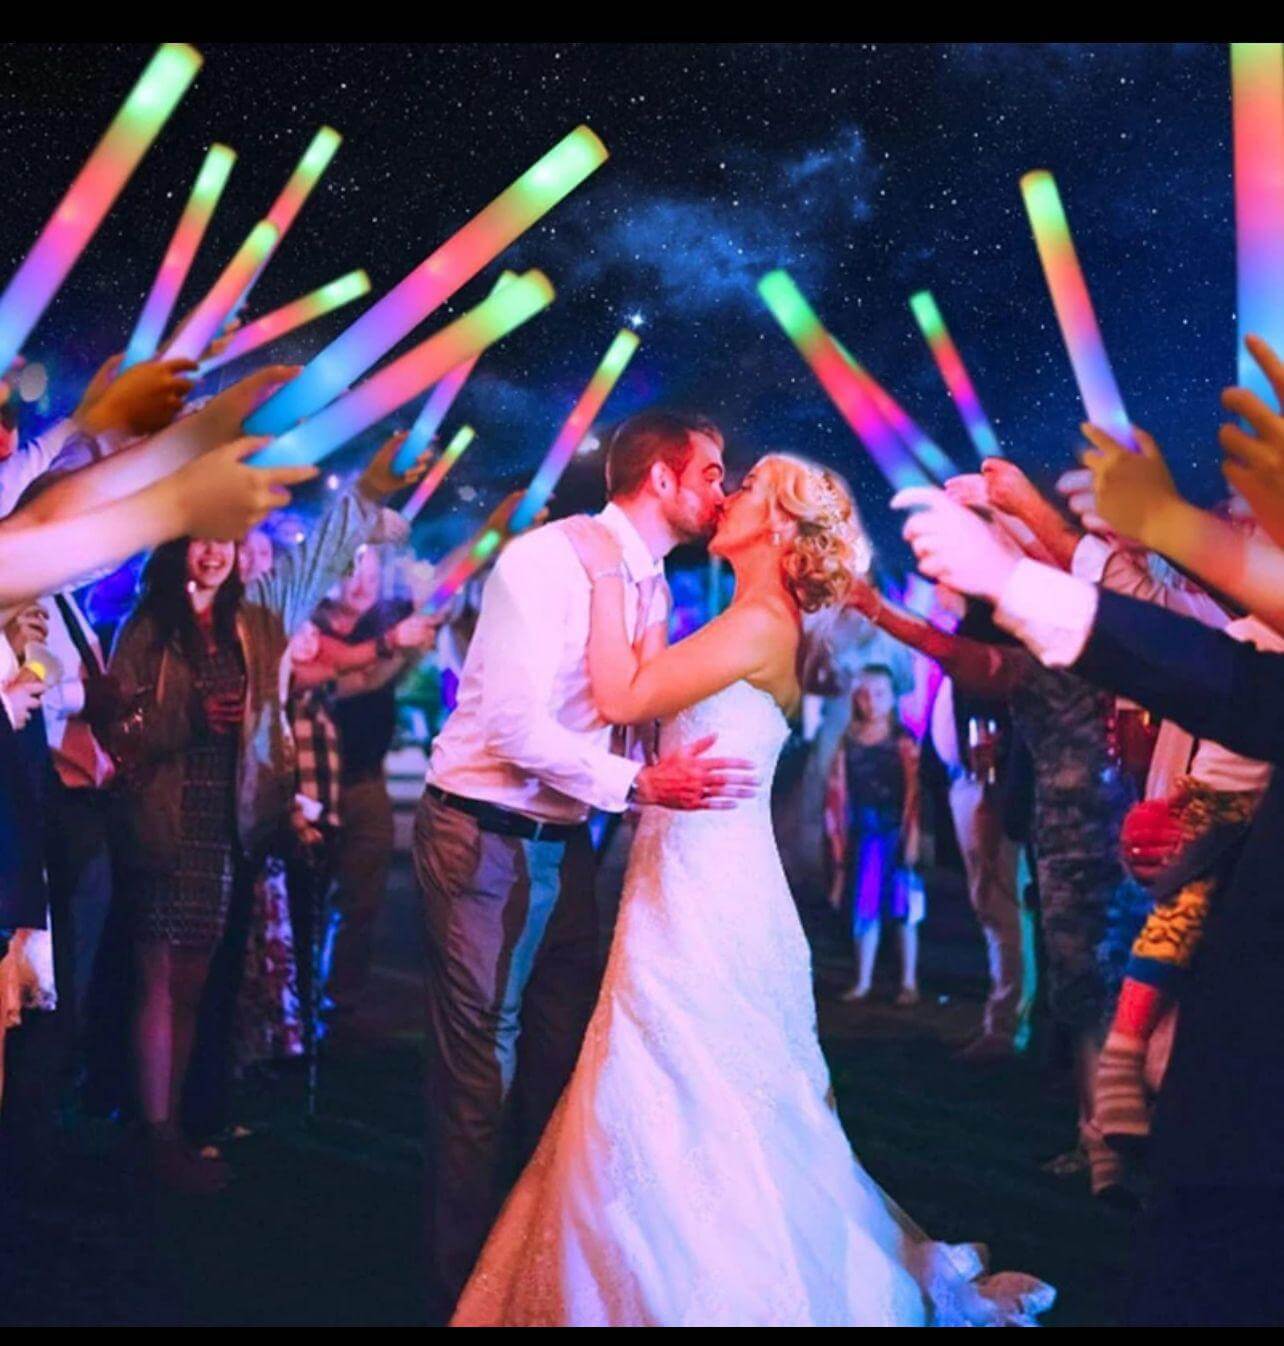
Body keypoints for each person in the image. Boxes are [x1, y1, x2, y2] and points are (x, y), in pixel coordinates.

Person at [452, 454, 1052, 1327]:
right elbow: (649, 695)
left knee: (685, 1082)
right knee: (682, 1083)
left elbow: (621, 695)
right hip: (690, 876)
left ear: (775, 525)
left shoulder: (759, 621)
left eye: (746, 489)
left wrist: (609, 571)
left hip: (707, 892)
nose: (727, 496)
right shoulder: (748, 619)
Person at [415, 410, 764, 1318]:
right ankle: (465, 1287)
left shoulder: (650, 582)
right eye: (712, 473)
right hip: (486, 836)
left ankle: (534, 1268)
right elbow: (512, 726)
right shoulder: (546, 561)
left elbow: (631, 707)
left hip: (568, 841)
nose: (722, 490)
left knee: (562, 1058)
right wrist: (640, 783)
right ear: (661, 479)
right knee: (480, 1076)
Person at [105, 434, 424, 1191]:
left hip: (224, 829)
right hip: (163, 824)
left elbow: (316, 560)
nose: (214, 553)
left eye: (225, 540)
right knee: (158, 980)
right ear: (176, 547)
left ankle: (174, 1125)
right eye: (200, 540)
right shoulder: (147, 627)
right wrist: (188, 719)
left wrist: (369, 492)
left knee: (193, 985)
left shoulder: (257, 618)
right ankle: (155, 1135)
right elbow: (120, 729)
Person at [824, 663, 923, 1005]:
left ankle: (909, 982)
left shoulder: (903, 741)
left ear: (893, 697)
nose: (872, 701)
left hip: (897, 830)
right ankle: (863, 980)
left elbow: (914, 792)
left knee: (904, 907)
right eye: (864, 694)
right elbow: (838, 792)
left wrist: (913, 837)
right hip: (865, 835)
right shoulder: (849, 741)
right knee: (864, 907)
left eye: (880, 694)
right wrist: (839, 842)